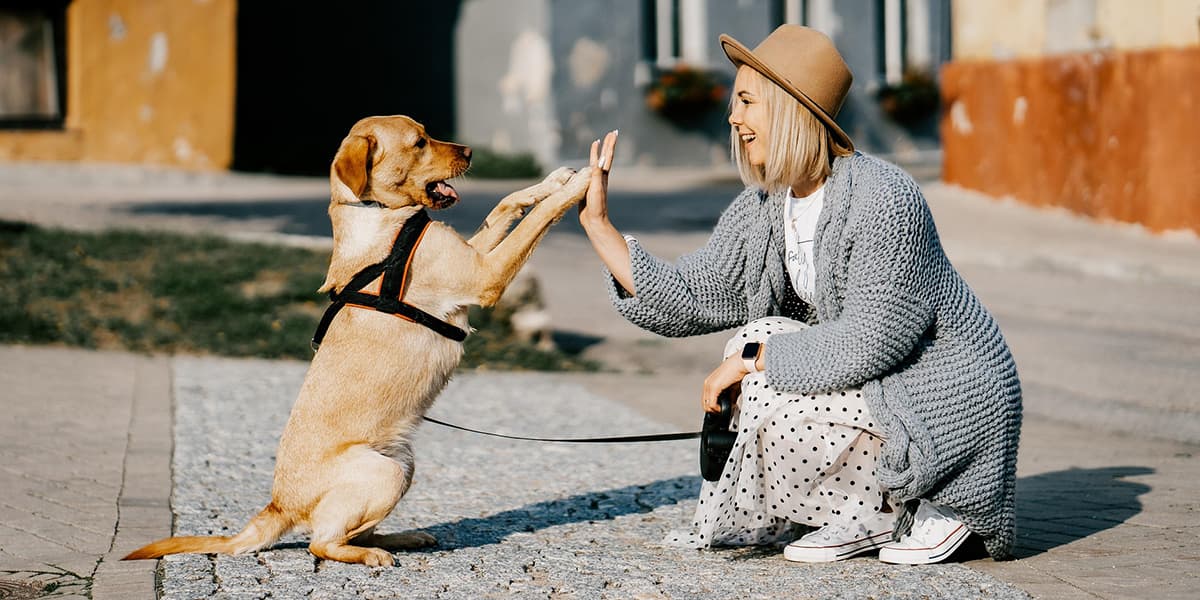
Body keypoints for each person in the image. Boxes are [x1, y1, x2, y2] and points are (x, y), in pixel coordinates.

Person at [578, 25, 1021, 564]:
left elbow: (871, 341)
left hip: (944, 397)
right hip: (881, 386)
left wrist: (751, 363)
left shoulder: (884, 197)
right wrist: (600, 227)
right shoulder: (767, 205)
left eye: (746, 101)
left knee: (759, 362)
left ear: (789, 108)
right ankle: (858, 512)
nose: (732, 117)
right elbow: (695, 293)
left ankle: (919, 504)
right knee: (755, 338)